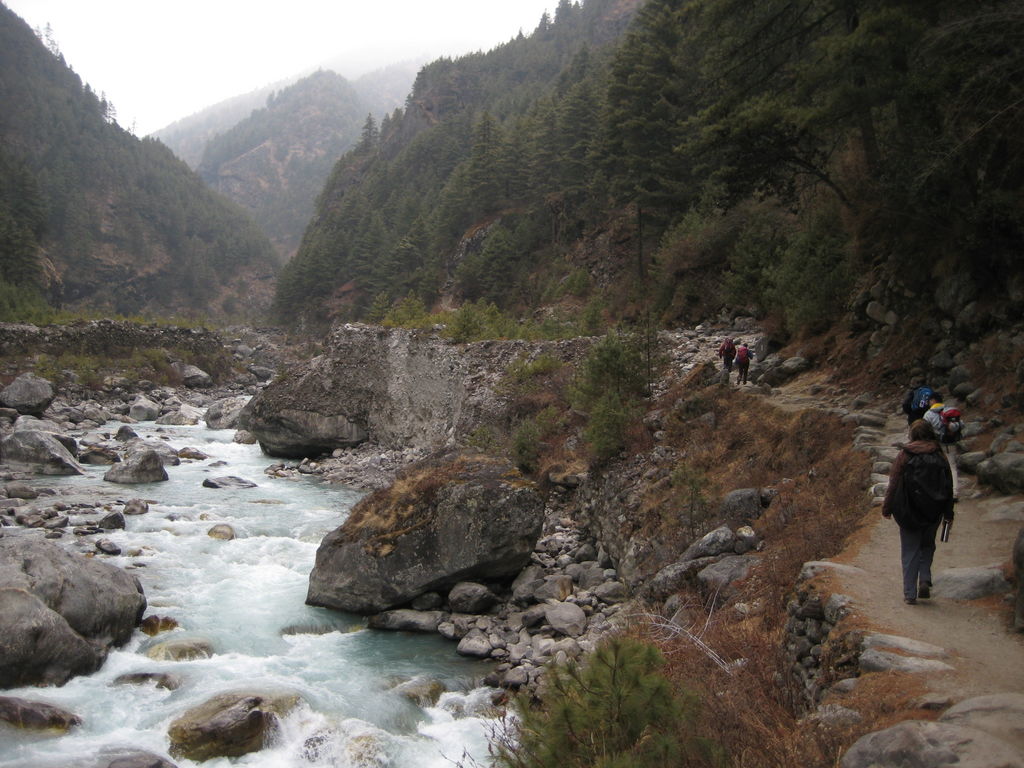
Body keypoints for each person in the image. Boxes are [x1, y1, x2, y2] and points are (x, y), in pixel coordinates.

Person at [882, 420, 955, 604]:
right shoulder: (940, 455)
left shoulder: (905, 455)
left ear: (912, 435)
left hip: (908, 510)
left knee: (910, 550)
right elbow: (948, 486)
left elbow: (893, 484)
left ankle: (909, 593)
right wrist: (948, 513)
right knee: (927, 545)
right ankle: (924, 578)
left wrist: (887, 507)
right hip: (934, 510)